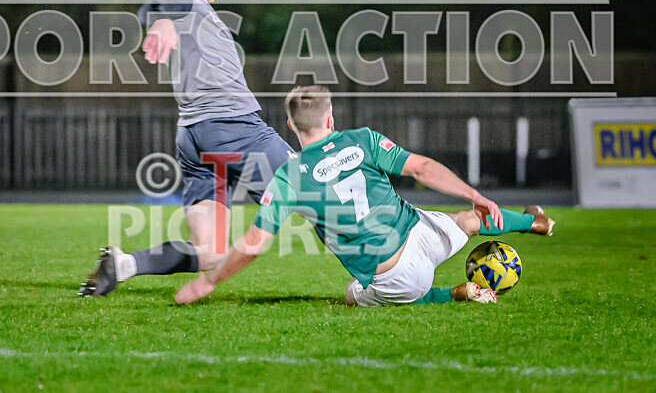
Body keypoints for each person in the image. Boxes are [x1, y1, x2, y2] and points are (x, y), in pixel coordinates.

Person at [174, 85, 556, 306]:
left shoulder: (289, 178)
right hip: (422, 235)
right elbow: (422, 168)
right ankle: (533, 221)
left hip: (397, 276)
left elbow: (254, 244)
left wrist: (208, 282)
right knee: (468, 219)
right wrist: (474, 193)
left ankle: (454, 293)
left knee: (352, 295)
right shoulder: (365, 139)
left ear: (290, 125)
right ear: (330, 118)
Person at [79, 0, 294, 297]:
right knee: (309, 187)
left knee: (210, 254)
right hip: (233, 127)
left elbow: (160, 5)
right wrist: (162, 21)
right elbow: (167, 0)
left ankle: (125, 264)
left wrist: (164, 19)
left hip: (194, 137)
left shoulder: (194, 8)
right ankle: (387, 273)